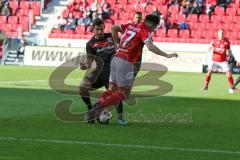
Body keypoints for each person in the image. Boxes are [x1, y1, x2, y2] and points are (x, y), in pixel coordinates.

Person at [86, 14, 178, 121]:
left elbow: (114, 28)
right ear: (151, 24)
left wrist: (117, 43)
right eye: (155, 27)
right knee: (124, 93)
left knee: (111, 89)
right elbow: (151, 47)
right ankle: (100, 108)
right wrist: (167, 55)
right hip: (126, 62)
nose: (154, 30)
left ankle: (98, 105)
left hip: (115, 59)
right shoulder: (145, 31)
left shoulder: (131, 25)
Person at [79, 19, 126, 124]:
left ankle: (121, 117)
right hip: (99, 72)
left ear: (104, 28)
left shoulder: (111, 36)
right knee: (83, 86)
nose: (100, 32)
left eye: (101, 29)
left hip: (112, 72)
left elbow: (122, 45)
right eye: (97, 29)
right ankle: (91, 110)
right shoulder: (90, 44)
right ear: (93, 29)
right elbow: (90, 60)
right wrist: (86, 65)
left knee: (115, 93)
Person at [203, 29, 238, 93]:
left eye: (222, 33)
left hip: (223, 60)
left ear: (224, 34)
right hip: (214, 60)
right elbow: (209, 47)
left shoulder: (227, 42)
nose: (221, 34)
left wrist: (230, 55)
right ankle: (206, 85)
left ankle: (233, 87)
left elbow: (229, 50)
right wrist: (210, 48)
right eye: (220, 33)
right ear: (218, 34)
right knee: (209, 72)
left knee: (229, 73)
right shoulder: (214, 41)